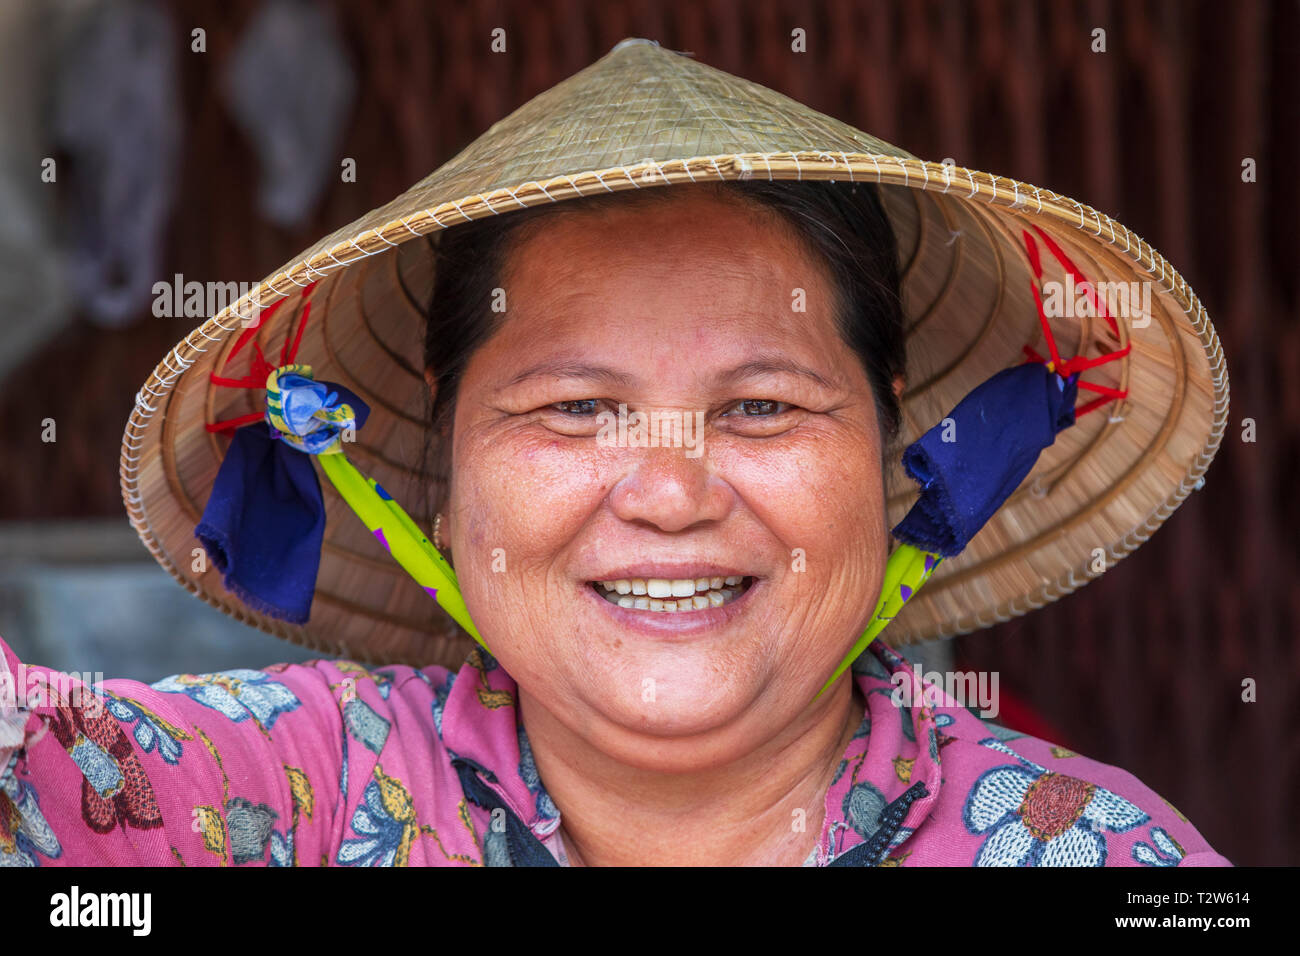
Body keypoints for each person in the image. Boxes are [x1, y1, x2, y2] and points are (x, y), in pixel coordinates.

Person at [0, 39, 1231, 866]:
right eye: (574, 408)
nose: (668, 493)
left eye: (761, 406)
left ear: (884, 438)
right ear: (446, 453)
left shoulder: (1093, 852)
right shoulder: (297, 789)